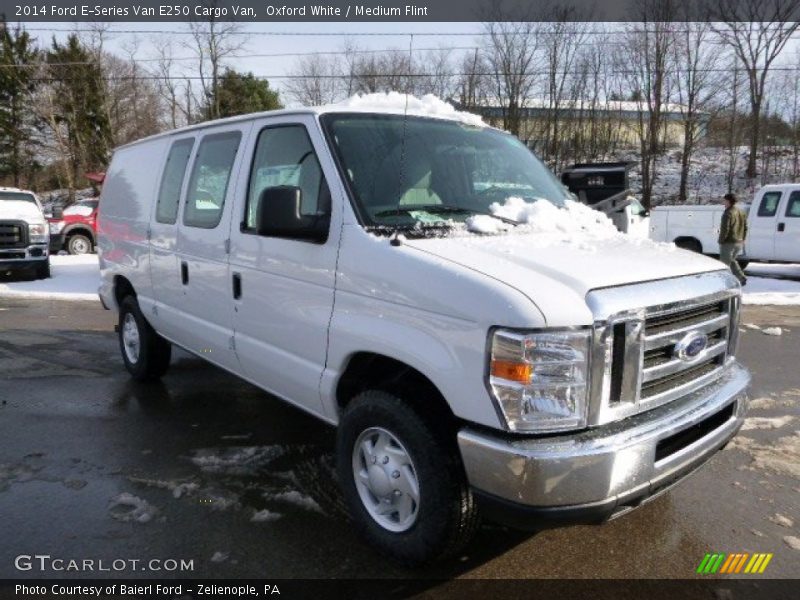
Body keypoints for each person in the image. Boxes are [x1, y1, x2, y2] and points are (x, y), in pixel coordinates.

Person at [718, 192, 748, 286]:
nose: (723, 202)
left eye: (724, 200)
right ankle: (741, 277)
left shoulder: (728, 213)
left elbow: (725, 228)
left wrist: (721, 240)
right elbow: (746, 227)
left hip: (729, 242)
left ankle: (723, 283)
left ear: (728, 201)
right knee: (732, 261)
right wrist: (743, 239)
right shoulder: (741, 212)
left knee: (724, 264)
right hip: (739, 242)